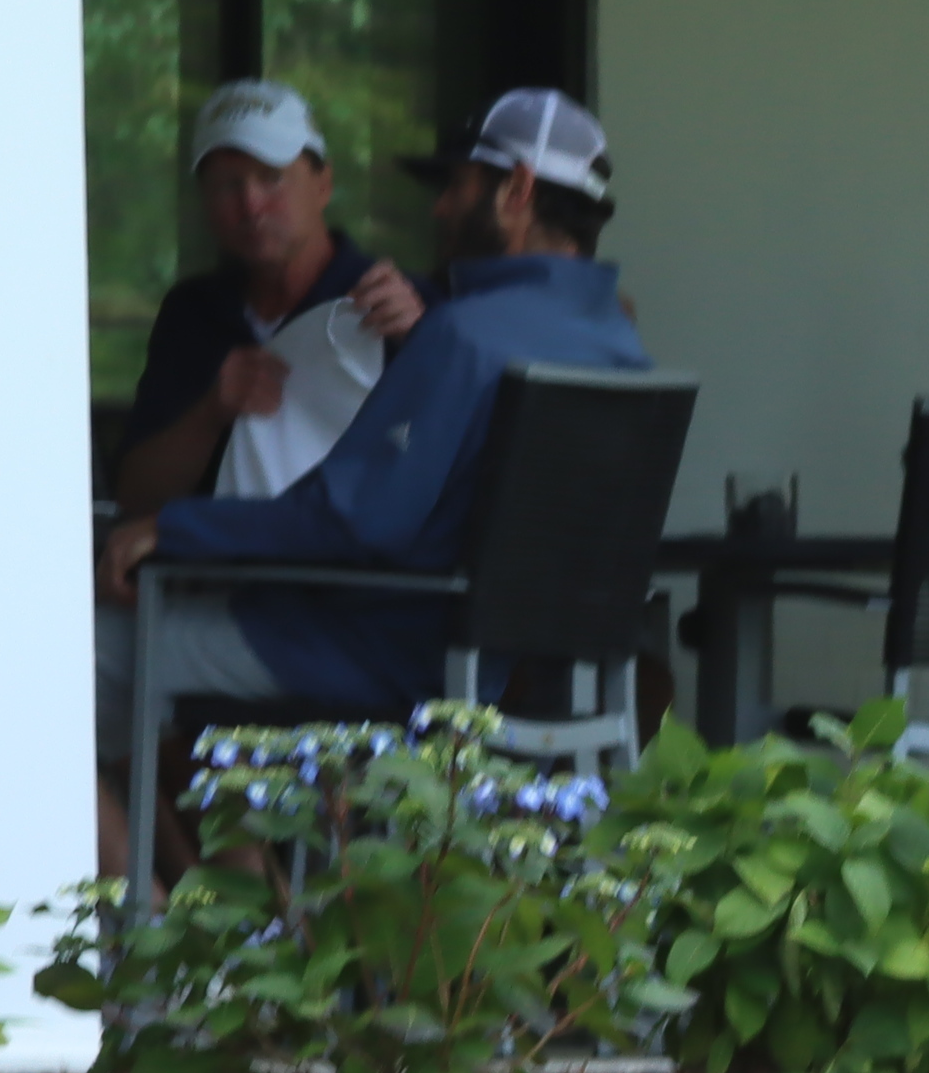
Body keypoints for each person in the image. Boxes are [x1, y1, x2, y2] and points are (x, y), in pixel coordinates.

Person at [128, 86, 648, 725]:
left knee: (85, 651)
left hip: (379, 651)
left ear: (516, 189)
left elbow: (349, 522)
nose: (440, 208)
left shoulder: (463, 334)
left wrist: (170, 528)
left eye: (456, 186)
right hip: (525, 667)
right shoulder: (621, 346)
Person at [107, 81, 427, 518]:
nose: (251, 205)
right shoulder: (192, 312)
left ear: (324, 184)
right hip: (214, 559)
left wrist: (425, 342)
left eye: (271, 178)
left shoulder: (397, 302)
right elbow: (136, 498)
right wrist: (211, 413)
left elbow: (458, 476)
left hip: (353, 559)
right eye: (226, 186)